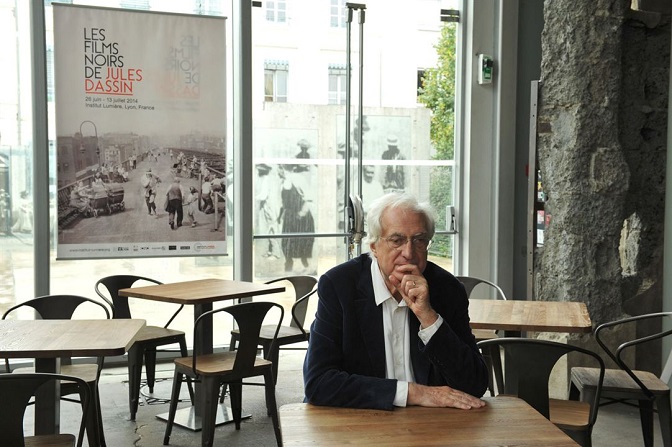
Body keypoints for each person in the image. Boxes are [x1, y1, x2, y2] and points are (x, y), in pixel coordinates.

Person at [303, 192, 488, 410]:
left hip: (429, 422)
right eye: (396, 240)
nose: (409, 253)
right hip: (360, 419)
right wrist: (414, 392)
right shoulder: (339, 286)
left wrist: (428, 316)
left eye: (419, 240)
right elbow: (318, 383)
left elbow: (474, 384)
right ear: (374, 246)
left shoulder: (447, 289)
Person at [278, 165, 315, 274]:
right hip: (289, 217)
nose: (278, 172)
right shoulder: (283, 183)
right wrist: (280, 216)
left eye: (279, 169)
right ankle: (288, 266)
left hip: (302, 217)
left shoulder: (298, 179)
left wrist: (302, 213)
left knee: (302, 242)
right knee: (287, 242)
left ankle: (308, 267)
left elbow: (309, 198)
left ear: (283, 169)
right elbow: (284, 203)